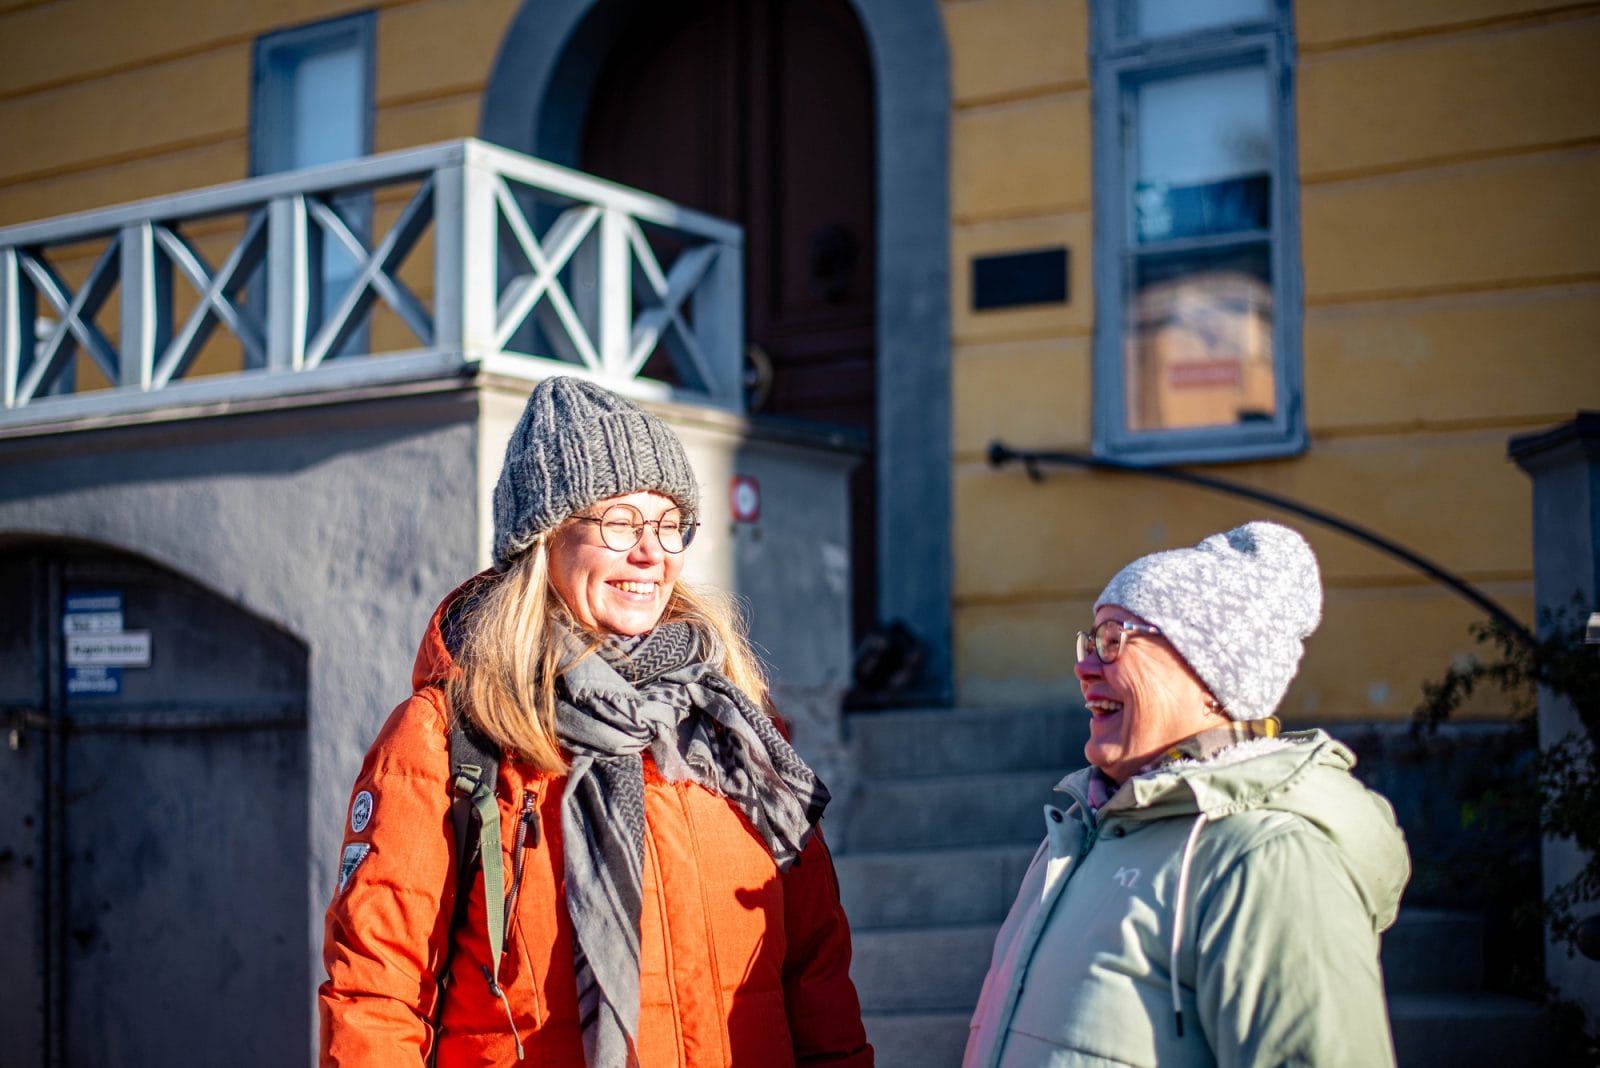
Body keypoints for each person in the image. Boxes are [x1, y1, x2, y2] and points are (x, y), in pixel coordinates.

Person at [320, 376, 873, 1067]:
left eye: (670, 523)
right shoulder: (448, 737)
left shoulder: (732, 731)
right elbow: (377, 996)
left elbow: (816, 977)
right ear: (544, 539)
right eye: (619, 521)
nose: (652, 552)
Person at [964, 521, 1411, 1067]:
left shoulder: (1266, 859)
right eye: (1090, 641)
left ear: (1208, 677)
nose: (1084, 667)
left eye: (1113, 642)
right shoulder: (1083, 833)